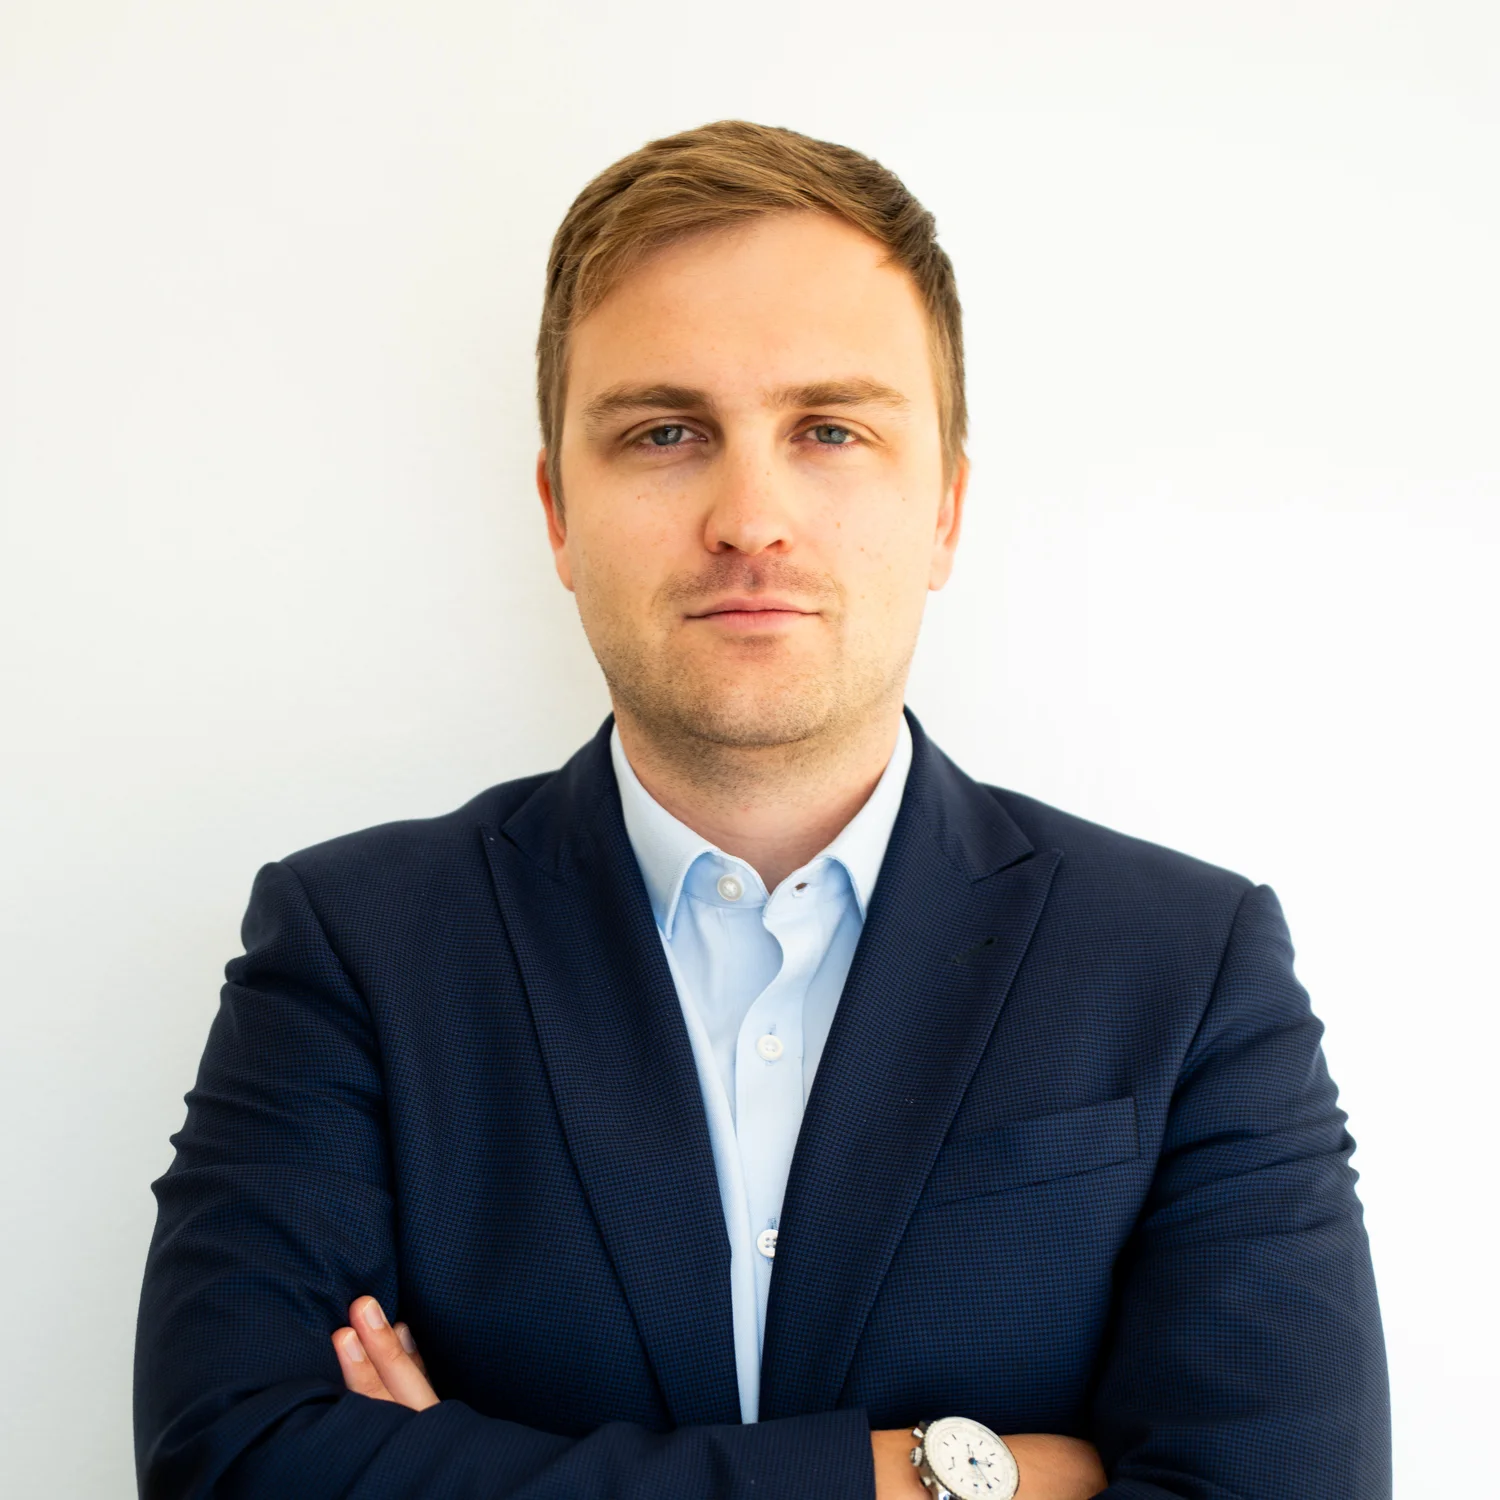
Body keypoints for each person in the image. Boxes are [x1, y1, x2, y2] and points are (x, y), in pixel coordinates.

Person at [133, 120, 1390, 1500]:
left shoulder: (1188, 965)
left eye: (830, 430)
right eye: (666, 433)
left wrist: (452, 1471)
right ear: (558, 515)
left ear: (945, 511)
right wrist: (934, 1478)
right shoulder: (355, 948)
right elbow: (232, 1465)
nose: (750, 517)